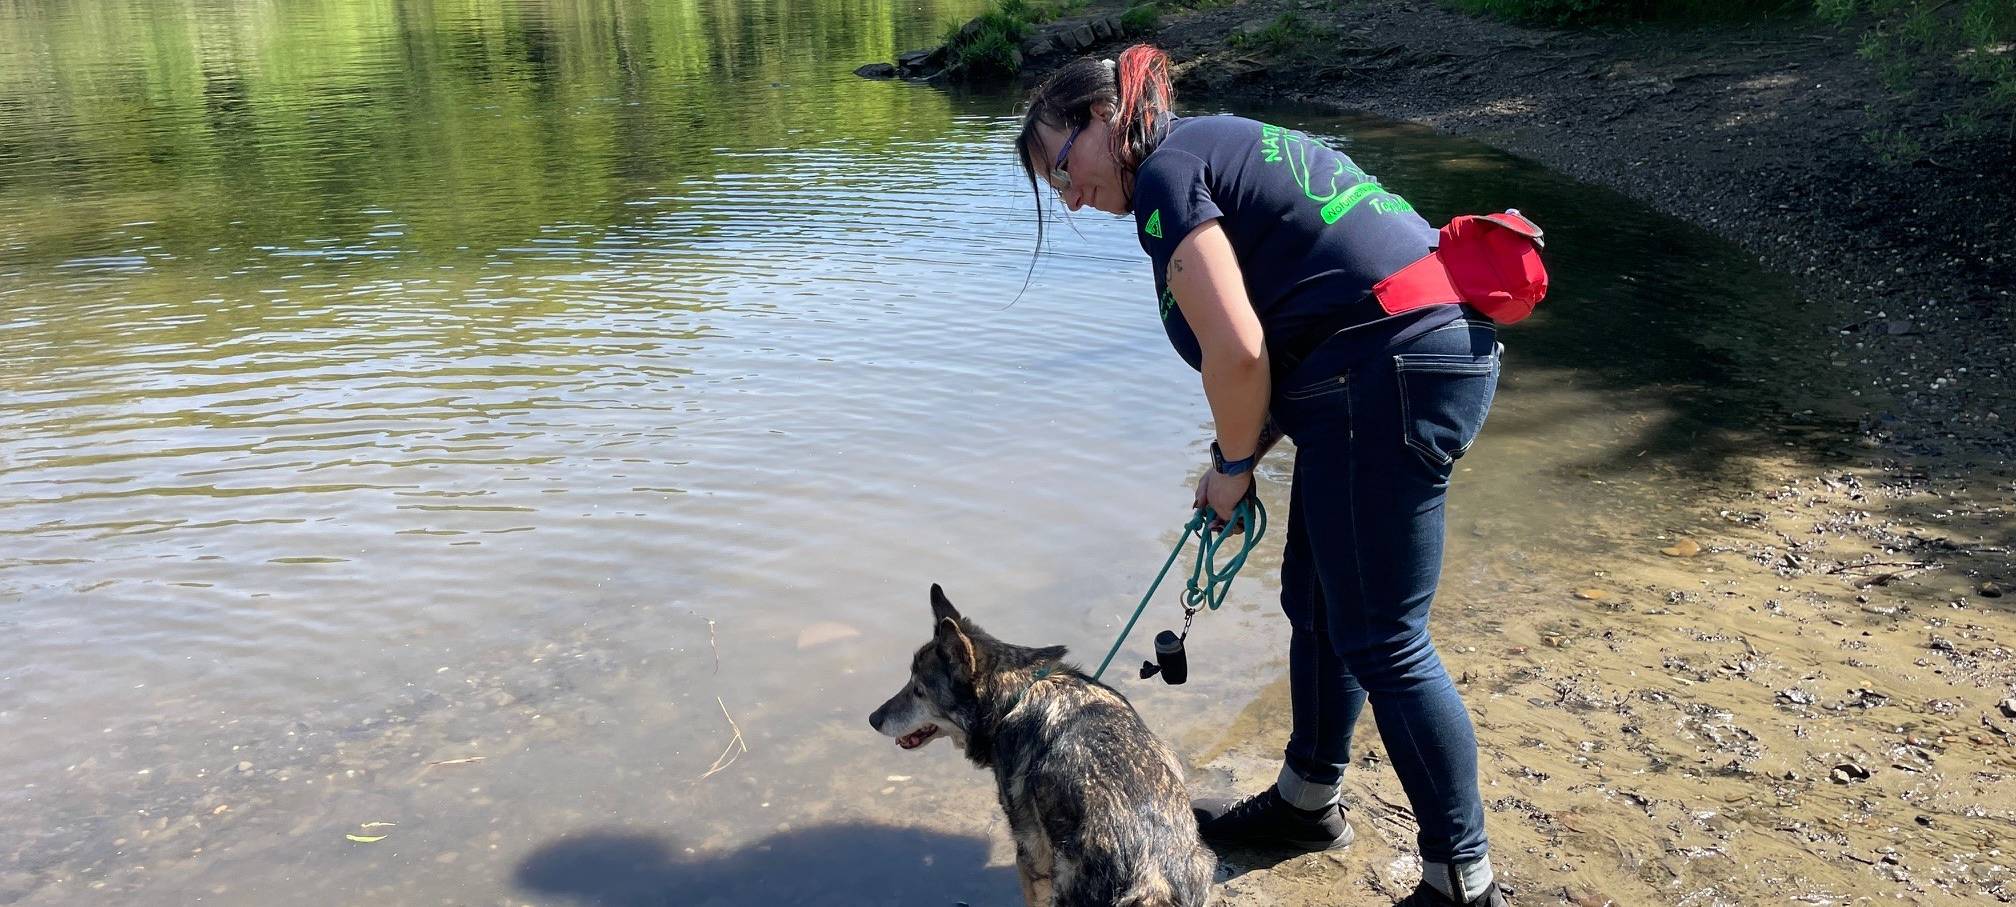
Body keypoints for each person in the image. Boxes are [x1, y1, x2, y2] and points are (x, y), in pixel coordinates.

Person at [1012, 45, 1508, 907]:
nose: (1069, 193)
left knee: (1386, 638)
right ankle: (1306, 802)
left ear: (1102, 118)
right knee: (1316, 600)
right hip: (1401, 359)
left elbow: (1238, 350)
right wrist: (1226, 461)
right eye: (1053, 187)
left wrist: (1238, 465)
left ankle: (1462, 882)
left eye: (1062, 163)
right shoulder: (1210, 145)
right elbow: (1296, 328)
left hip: (1386, 371)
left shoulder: (1167, 175)